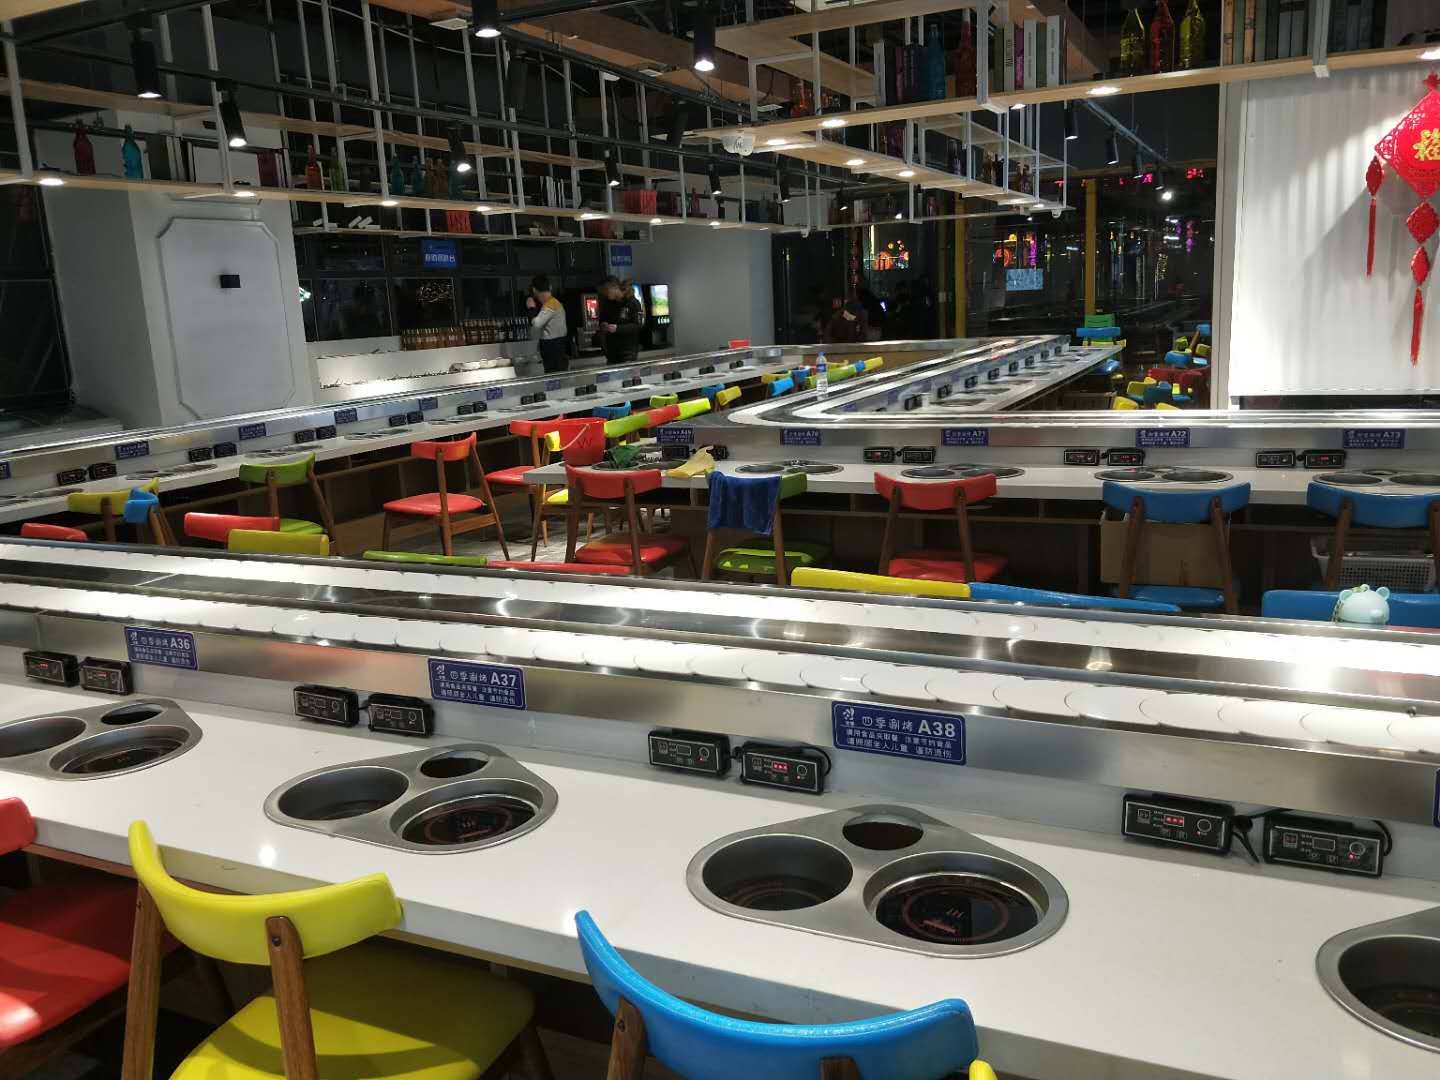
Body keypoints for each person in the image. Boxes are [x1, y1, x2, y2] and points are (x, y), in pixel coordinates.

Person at [596, 276, 644, 366]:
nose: (605, 294)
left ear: (614, 287)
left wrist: (617, 328)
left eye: (606, 290)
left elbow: (638, 325)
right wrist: (603, 324)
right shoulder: (607, 303)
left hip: (627, 353)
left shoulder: (633, 303)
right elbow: (602, 320)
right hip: (611, 353)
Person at [526, 274, 568, 374]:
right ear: (549, 287)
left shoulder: (551, 304)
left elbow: (537, 323)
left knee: (553, 377)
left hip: (553, 348)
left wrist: (531, 308)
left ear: (535, 290)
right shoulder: (554, 302)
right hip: (558, 346)